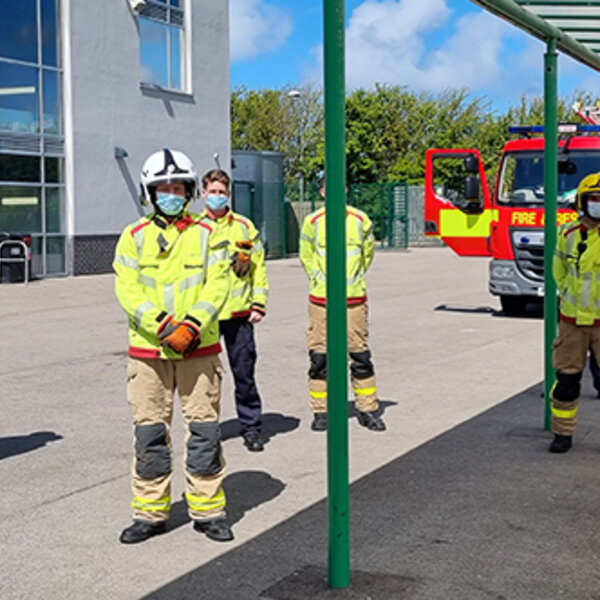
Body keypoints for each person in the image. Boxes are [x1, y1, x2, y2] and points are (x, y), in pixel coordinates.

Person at [113, 148, 233, 543]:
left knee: (204, 432)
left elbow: (219, 284)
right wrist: (163, 326)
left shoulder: (208, 234)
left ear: (188, 191)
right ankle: (150, 513)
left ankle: (208, 511)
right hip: (149, 352)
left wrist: (193, 325)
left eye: (177, 186)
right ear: (150, 192)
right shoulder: (133, 238)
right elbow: (127, 289)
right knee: (149, 434)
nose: (171, 193)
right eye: (162, 187)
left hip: (198, 349)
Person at [299, 176, 385, 432]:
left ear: (345, 189)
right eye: (328, 187)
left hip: (353, 300)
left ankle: (367, 409)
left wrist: (352, 281)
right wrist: (319, 280)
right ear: (323, 192)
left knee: (359, 355)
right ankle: (321, 412)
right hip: (321, 300)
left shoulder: (360, 220)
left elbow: (367, 256)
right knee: (320, 357)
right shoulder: (312, 222)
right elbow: (306, 256)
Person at [198, 169, 269, 452]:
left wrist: (259, 303)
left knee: (244, 373)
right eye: (212, 192)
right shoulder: (194, 228)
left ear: (229, 194)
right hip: (206, 315)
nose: (217, 197)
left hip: (240, 314)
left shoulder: (244, 226)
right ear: (203, 194)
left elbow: (258, 268)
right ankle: (207, 429)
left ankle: (251, 427)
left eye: (222, 192)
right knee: (206, 377)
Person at [550, 172, 600, 453]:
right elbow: (559, 273)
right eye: (594, 198)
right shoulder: (567, 235)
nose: (598, 204)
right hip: (572, 323)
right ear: (582, 201)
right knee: (567, 382)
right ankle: (562, 434)